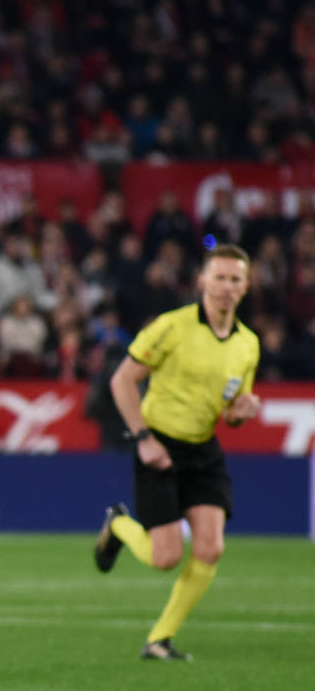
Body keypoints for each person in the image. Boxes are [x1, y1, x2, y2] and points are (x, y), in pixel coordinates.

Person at [93, 244, 261, 660]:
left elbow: (229, 411)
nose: (226, 287)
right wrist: (144, 439)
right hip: (160, 446)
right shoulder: (172, 327)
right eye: (218, 277)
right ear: (202, 281)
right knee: (165, 557)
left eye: (234, 279)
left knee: (211, 547)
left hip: (203, 450)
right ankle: (118, 526)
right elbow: (122, 381)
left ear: (246, 285)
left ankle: (160, 640)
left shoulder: (249, 346)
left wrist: (241, 411)